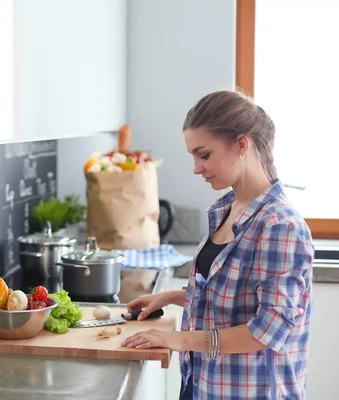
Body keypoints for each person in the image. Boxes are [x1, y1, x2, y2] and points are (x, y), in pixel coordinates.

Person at [121, 90, 314, 399]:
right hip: (203, 385)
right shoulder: (226, 208)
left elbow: (269, 329)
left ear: (241, 144)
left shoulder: (279, 226)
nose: (197, 168)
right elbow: (233, 298)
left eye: (204, 154)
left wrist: (178, 339)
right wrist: (171, 296)